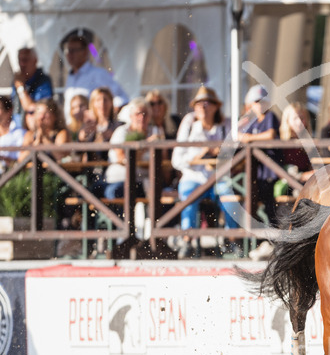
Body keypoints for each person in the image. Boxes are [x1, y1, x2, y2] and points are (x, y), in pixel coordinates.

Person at [172, 86, 240, 258]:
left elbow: (237, 158)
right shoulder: (189, 126)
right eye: (199, 103)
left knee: (230, 198)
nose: (203, 107)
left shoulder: (225, 127)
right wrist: (202, 154)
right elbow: (176, 160)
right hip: (193, 177)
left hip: (218, 178)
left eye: (207, 103)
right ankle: (187, 240)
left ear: (216, 106)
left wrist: (219, 156)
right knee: (188, 198)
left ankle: (231, 240)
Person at [104, 97, 164, 200]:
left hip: (144, 181)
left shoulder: (155, 131)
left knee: (164, 194)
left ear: (150, 117)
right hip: (119, 179)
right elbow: (123, 158)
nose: (141, 117)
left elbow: (161, 162)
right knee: (114, 192)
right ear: (131, 117)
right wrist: (145, 146)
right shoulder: (122, 131)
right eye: (138, 114)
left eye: (145, 114)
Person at [236, 84, 280, 220]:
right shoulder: (252, 122)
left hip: (270, 168)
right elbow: (239, 137)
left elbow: (270, 134)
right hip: (257, 170)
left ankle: (270, 235)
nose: (260, 105)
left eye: (263, 101)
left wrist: (249, 138)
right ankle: (257, 236)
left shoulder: (270, 116)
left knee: (269, 204)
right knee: (252, 201)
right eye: (257, 102)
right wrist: (240, 128)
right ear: (250, 105)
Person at [62, 35, 129, 120]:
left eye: (74, 50)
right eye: (68, 50)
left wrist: (104, 117)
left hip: (91, 128)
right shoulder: (70, 76)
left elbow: (121, 99)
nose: (70, 54)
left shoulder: (98, 74)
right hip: (73, 128)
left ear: (85, 52)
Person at [12, 47, 53, 126]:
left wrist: (21, 88)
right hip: (16, 128)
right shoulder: (17, 79)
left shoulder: (43, 81)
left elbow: (33, 108)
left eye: (25, 60)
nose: (22, 64)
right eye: (20, 60)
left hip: (35, 127)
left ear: (35, 60)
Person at [0, 96, 26, 167]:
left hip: (10, 174)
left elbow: (21, 161)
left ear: (9, 111)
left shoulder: (19, 133)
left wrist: (3, 158)